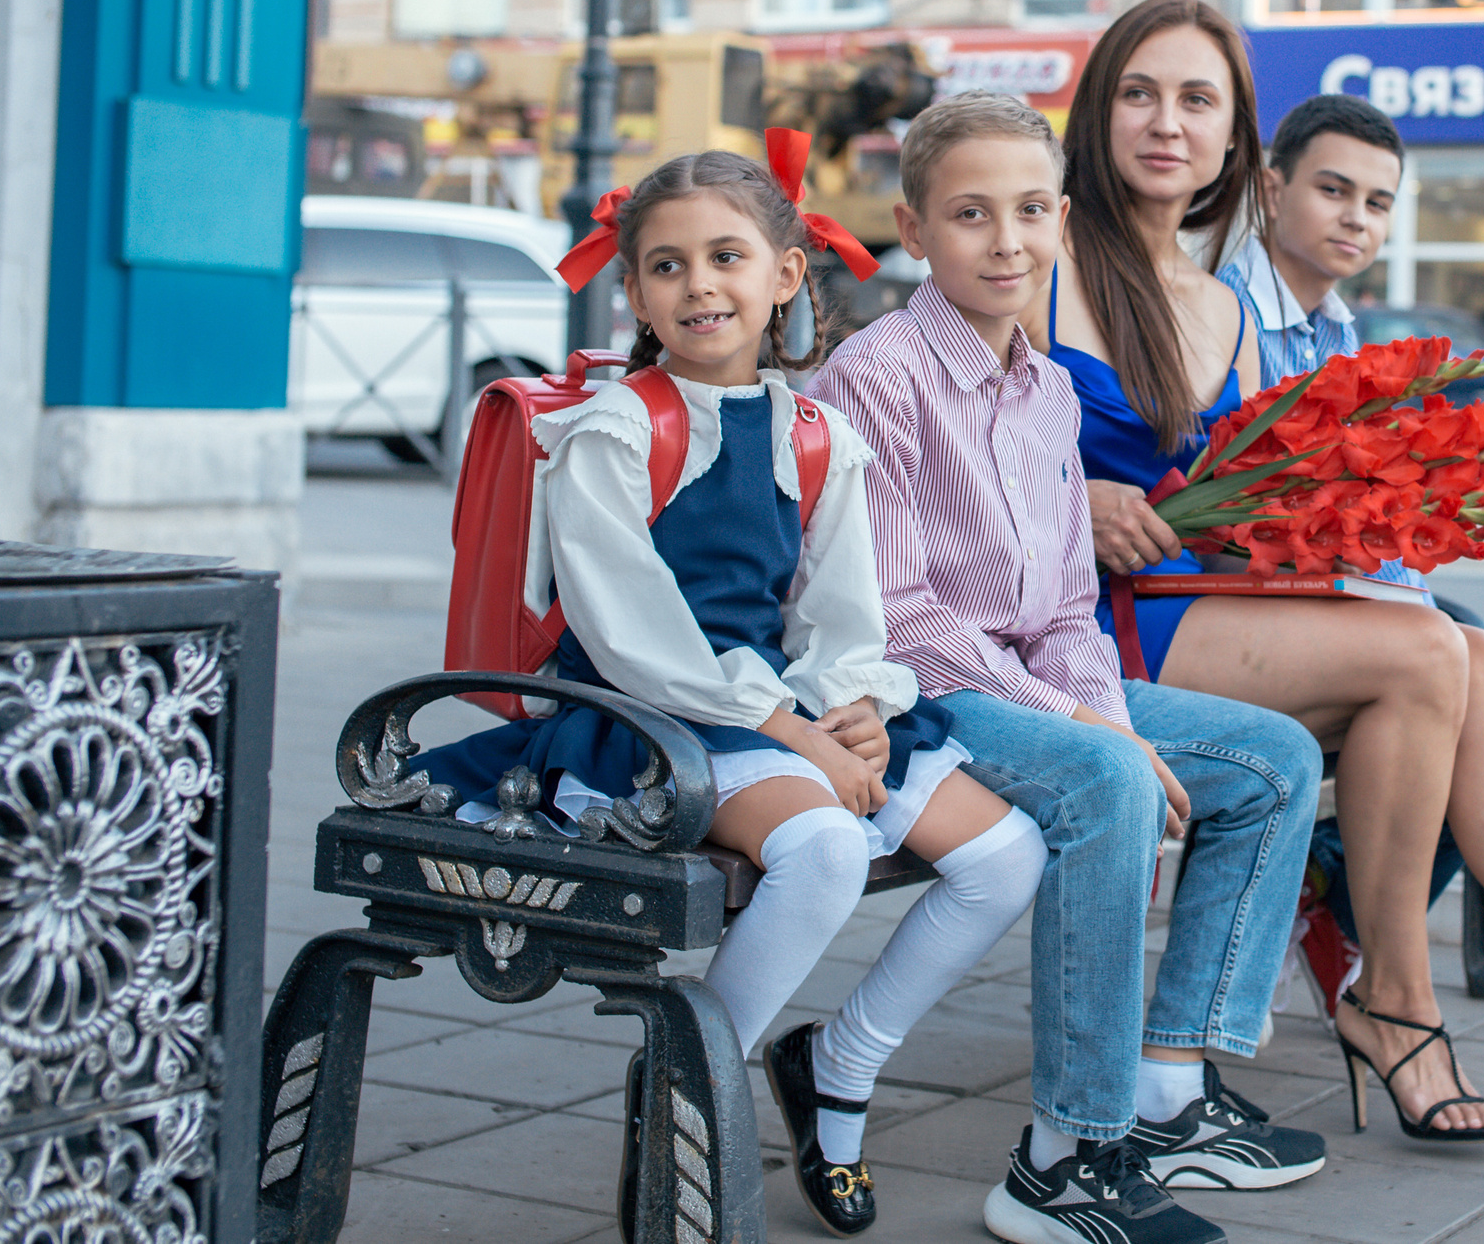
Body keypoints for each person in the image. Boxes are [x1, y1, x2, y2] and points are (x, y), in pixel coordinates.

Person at [1033, 0, 1484, 1171]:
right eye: (1139, 93)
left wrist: (1341, 528)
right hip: (1083, 623)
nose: (1166, 123)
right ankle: (1397, 997)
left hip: (1197, 600)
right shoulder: (1036, 258)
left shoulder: (1215, 304)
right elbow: (929, 449)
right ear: (1098, 109)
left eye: (1197, 99)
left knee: (1476, 657)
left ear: (1231, 135)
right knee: (1431, 653)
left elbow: (1237, 519)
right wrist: (1068, 499)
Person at [418, 151, 1047, 1239]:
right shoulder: (614, 431)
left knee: (1004, 856)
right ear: (634, 291)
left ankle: (840, 1066)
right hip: (651, 716)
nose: (699, 284)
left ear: (785, 274)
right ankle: (685, 1089)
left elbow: (839, 612)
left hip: (774, 702)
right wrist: (796, 735)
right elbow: (630, 634)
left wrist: (854, 707)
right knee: (824, 847)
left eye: (726, 257)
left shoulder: (816, 434)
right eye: (667, 265)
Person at [812, 92, 1326, 1244]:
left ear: (1060, 219)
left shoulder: (1046, 389)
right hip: (918, 695)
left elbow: (1062, 610)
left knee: (1274, 760)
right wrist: (1094, 735)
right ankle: (1065, 1159)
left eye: (1032, 211)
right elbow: (897, 620)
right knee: (1107, 780)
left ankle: (1165, 1091)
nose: (1007, 241)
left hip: (1029, 685)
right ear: (913, 229)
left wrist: (1101, 710)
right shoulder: (873, 377)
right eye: (971, 214)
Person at [1213, 92, 1484, 1009]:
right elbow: (1245, 519)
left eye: (1378, 201)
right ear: (1271, 189)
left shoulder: (1337, 326)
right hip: (1263, 616)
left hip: (1360, 603)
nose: (1356, 217)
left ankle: (1334, 905)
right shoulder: (1223, 316)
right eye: (1334, 190)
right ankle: (1355, 940)